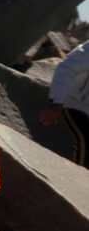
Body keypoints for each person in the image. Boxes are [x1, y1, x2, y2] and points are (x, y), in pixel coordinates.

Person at [40, 39, 89, 168]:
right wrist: (56, 102)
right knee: (86, 140)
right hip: (74, 102)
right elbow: (66, 68)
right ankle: (80, 182)